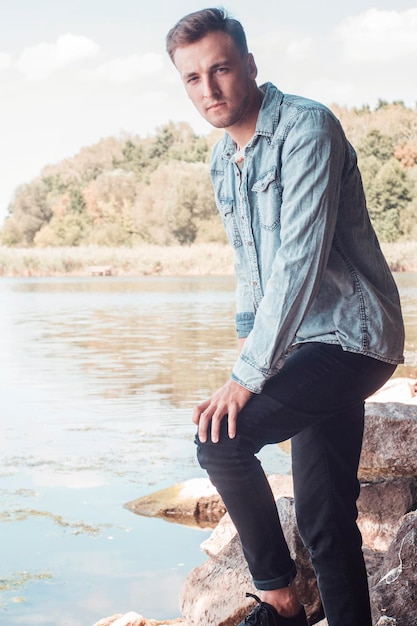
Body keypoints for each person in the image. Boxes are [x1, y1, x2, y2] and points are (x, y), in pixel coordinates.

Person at [166, 8, 404, 626]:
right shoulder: (224, 161)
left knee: (221, 443)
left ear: (249, 64)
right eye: (192, 78)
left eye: (220, 68)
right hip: (301, 348)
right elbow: (254, 274)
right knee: (326, 523)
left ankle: (278, 602)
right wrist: (250, 361)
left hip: (353, 338)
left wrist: (248, 378)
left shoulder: (307, 128)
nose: (209, 89)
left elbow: (298, 262)